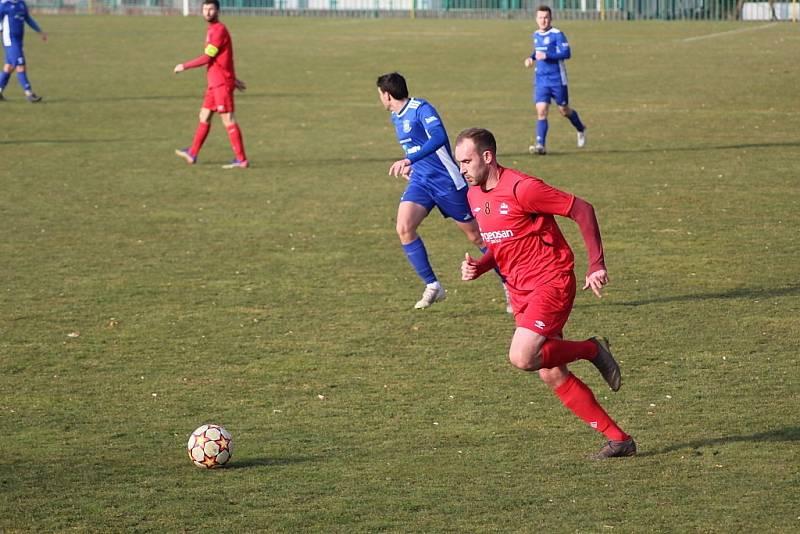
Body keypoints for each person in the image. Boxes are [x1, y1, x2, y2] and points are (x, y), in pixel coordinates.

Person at [455, 127, 635, 459]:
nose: (462, 169)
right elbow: (503, 241)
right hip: (520, 289)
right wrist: (480, 266)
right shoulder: (474, 196)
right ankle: (619, 439)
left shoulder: (524, 189)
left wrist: (596, 264)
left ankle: (591, 350)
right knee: (550, 371)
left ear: (487, 156)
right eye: (459, 163)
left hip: (551, 281)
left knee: (522, 356)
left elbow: (583, 209)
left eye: (466, 162)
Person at [377, 72, 507, 310]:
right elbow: (416, 146)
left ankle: (509, 284)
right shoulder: (397, 117)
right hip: (422, 182)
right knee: (404, 228)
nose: (380, 100)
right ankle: (433, 285)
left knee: (477, 236)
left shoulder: (421, 109)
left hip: (447, 182)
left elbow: (438, 137)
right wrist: (413, 165)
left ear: (387, 95)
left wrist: (409, 159)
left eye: (380, 95)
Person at [173, 0, 248, 169]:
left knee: (228, 119)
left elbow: (208, 58)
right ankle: (192, 153)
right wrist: (234, 79)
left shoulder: (219, 30)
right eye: (205, 9)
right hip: (215, 83)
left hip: (221, 83)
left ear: (218, 11)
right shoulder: (212, 30)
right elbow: (223, 58)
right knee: (204, 116)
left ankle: (241, 159)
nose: (207, 12)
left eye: (211, 9)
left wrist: (184, 66)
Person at [523, 5, 586, 155]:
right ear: (536, 19)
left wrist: (547, 56)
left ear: (550, 18)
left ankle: (581, 128)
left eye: (546, 17)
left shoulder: (558, 34)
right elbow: (537, 52)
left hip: (557, 79)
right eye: (540, 17)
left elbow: (567, 53)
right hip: (541, 80)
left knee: (564, 110)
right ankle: (540, 145)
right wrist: (531, 58)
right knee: (541, 111)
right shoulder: (536, 34)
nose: (543, 20)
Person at [0, 0, 47, 102]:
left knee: (9, 67)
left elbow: (28, 19)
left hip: (18, 40)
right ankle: (29, 93)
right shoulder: (4, 4)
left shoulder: (21, 3)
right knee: (20, 65)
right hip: (10, 40)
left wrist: (39, 31)